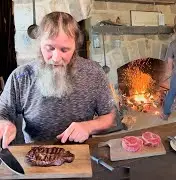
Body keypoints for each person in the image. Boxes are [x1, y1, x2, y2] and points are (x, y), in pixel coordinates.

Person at [0, 12, 116, 148]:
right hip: (36, 156)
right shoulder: (21, 76)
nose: (56, 58)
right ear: (40, 44)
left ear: (75, 47)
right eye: (49, 48)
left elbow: (110, 116)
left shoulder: (94, 72)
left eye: (64, 50)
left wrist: (89, 126)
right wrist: (4, 123)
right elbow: (3, 111)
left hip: (81, 155)